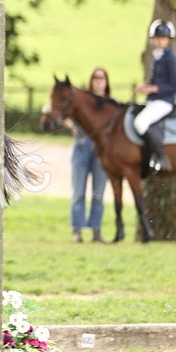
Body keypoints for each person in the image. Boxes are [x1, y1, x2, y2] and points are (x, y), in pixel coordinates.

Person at [68, 68, 111, 243]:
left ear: (107, 81)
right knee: (78, 192)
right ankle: (77, 231)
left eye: (102, 78)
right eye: (96, 77)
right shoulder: (83, 102)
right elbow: (69, 117)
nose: (99, 81)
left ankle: (96, 231)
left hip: (101, 151)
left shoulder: (110, 104)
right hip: (81, 148)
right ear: (91, 80)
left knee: (98, 193)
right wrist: (71, 126)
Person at [133, 20, 176, 172]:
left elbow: (175, 86)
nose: (160, 40)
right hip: (154, 101)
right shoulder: (157, 57)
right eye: (158, 37)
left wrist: (151, 89)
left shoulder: (171, 59)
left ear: (168, 39)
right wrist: (145, 88)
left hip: (165, 102)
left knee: (140, 123)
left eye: (163, 37)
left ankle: (162, 157)